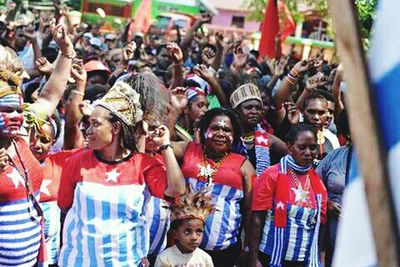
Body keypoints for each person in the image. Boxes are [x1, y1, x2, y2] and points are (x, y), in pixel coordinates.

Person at [57, 81, 185, 266]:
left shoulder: (144, 165)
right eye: (88, 124)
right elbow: (65, 206)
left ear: (116, 128)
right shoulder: (76, 162)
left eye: (95, 124)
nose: (88, 130)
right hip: (78, 260)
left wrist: (165, 146)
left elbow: (176, 190)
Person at [0, 19, 75, 266]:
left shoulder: (21, 134)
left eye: (17, 109)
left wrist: (66, 52)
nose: (15, 117)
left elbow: (50, 95)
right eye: (6, 110)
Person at [172, 107, 256, 267]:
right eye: (215, 128)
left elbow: (251, 211)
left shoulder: (245, 165)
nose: (221, 133)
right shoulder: (188, 150)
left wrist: (248, 249)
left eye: (227, 130)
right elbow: (161, 144)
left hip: (225, 253)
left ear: (235, 136)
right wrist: (176, 110)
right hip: (182, 252)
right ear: (204, 130)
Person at [249, 124, 327, 267]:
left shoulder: (318, 184)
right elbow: (257, 217)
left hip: (302, 260)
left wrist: (320, 259)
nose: (308, 152)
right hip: (270, 257)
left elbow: (321, 225)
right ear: (289, 146)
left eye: (312, 147)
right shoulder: (272, 175)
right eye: (302, 147)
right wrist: (254, 258)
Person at [316, 110, 351, 267]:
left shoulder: (383, 160)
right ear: (347, 132)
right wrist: (328, 204)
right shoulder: (333, 158)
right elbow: (311, 188)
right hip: (332, 244)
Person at [230, 83, 288, 176]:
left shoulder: (271, 141)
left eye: (258, 108)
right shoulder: (226, 137)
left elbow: (292, 159)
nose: (254, 112)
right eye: (248, 107)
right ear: (237, 111)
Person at [154, 186, 214, 267]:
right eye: (187, 231)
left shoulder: (205, 259)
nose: (194, 237)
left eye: (199, 231)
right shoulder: (165, 258)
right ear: (175, 234)